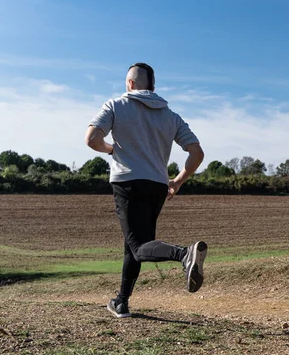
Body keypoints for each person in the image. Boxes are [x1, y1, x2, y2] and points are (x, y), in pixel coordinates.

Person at [85, 62, 207, 318]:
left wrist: (112, 150)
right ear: (152, 86)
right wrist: (178, 181)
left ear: (130, 83)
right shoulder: (170, 116)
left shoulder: (116, 105)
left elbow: (92, 139)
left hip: (128, 182)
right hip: (158, 185)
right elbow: (196, 153)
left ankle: (184, 254)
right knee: (136, 245)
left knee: (139, 246)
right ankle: (121, 302)